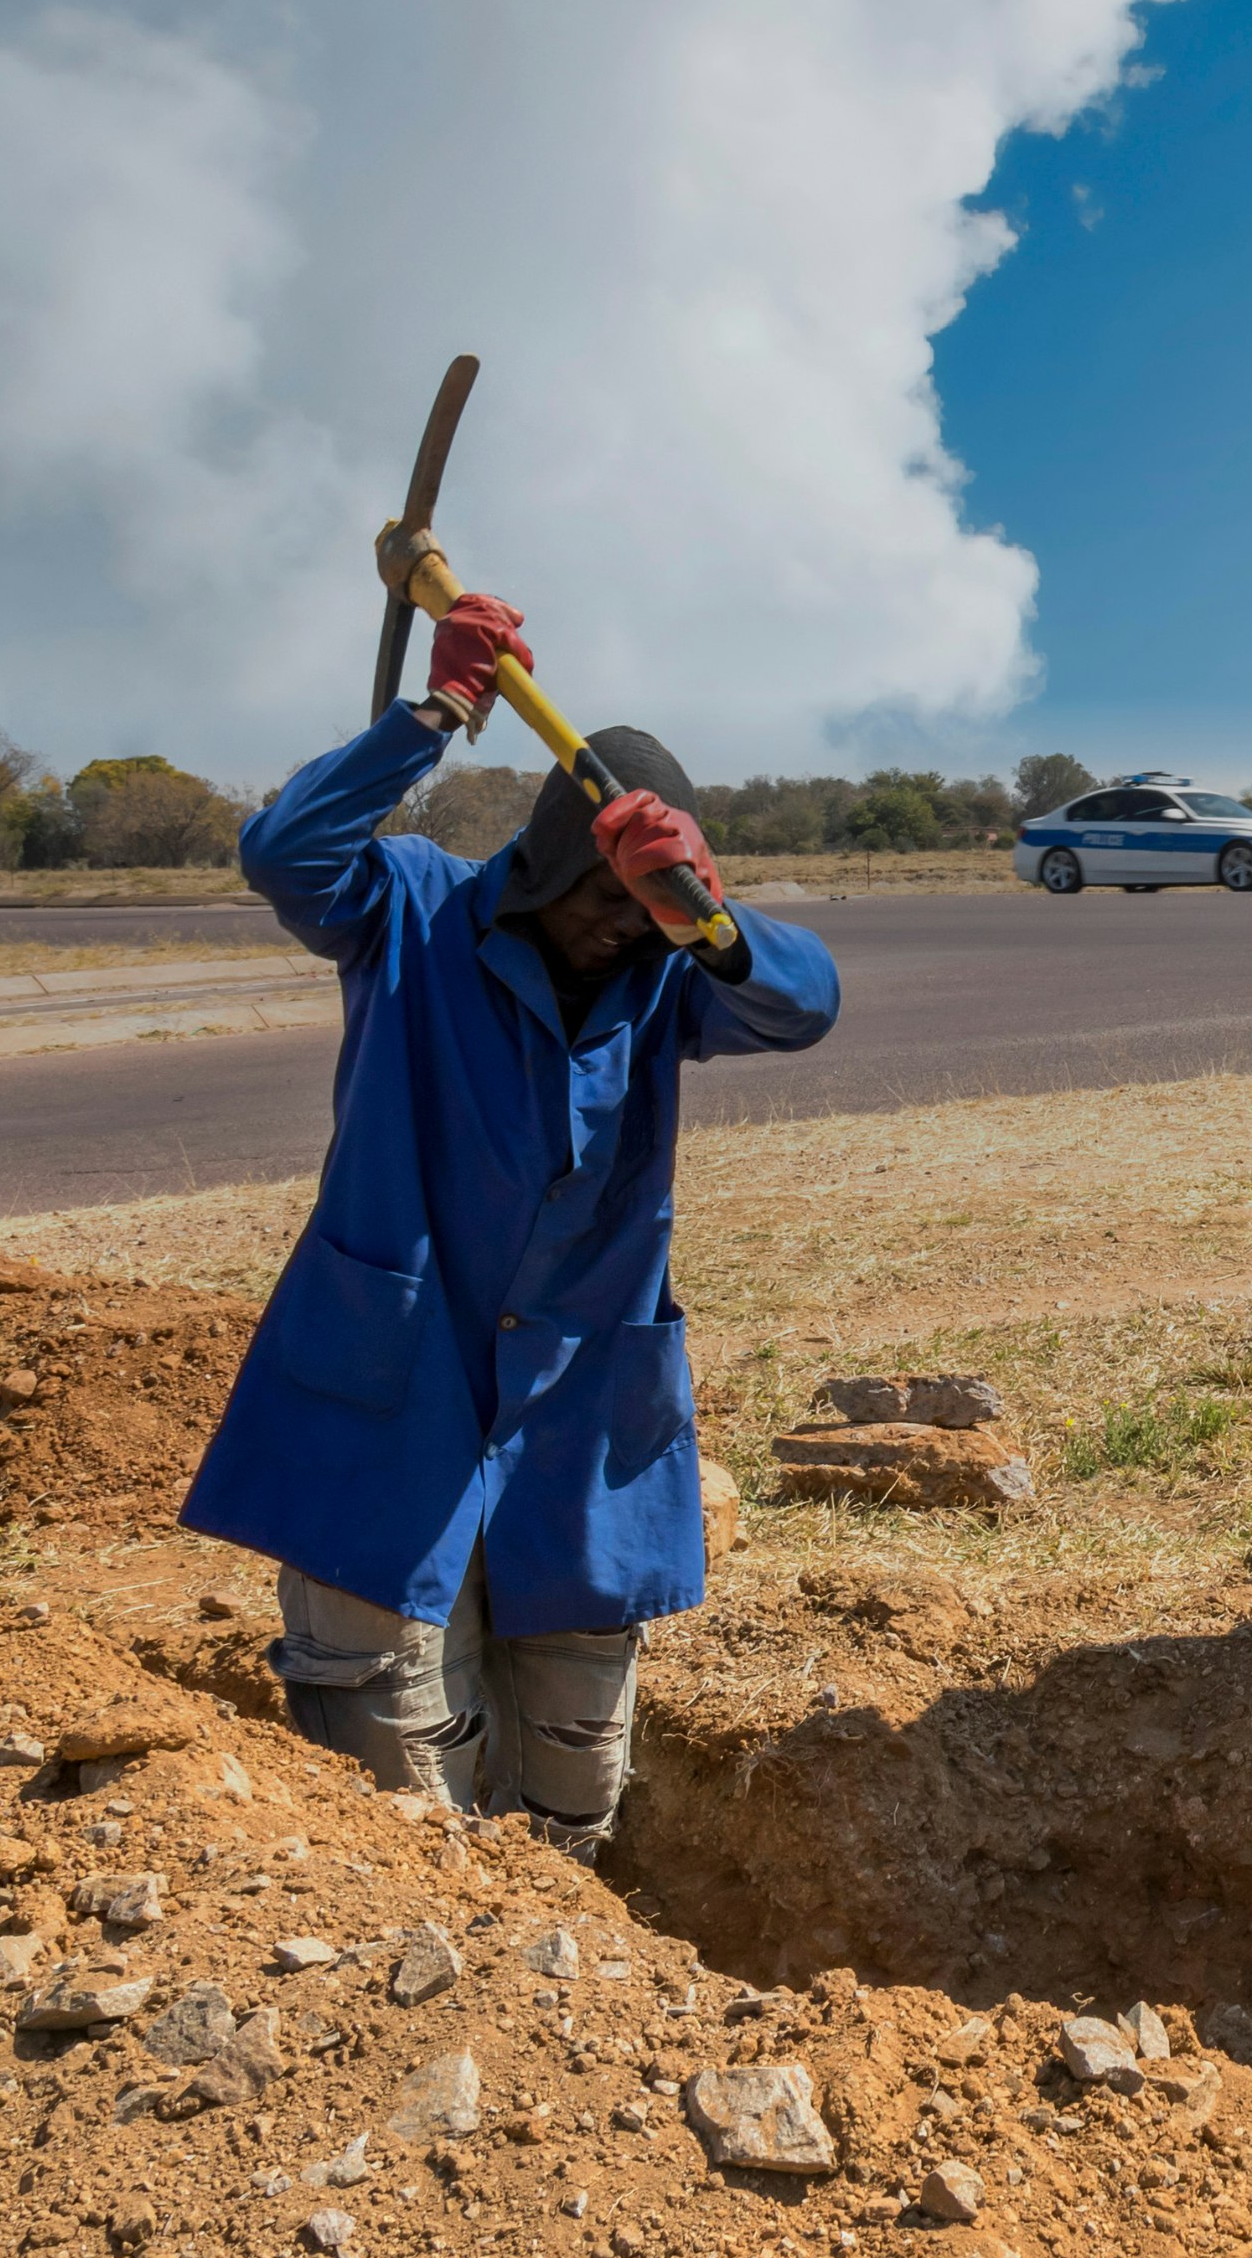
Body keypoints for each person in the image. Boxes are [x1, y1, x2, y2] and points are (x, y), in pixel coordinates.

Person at [179, 582, 839, 1857]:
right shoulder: (412, 913)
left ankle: (567, 1978)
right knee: (395, 1760)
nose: (617, 933)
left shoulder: (668, 975)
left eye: (644, 911)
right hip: (387, 1395)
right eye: (605, 898)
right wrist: (434, 715)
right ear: (544, 862)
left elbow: (804, 1005)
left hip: (581, 1417)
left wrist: (702, 916)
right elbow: (284, 853)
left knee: (578, 1756)